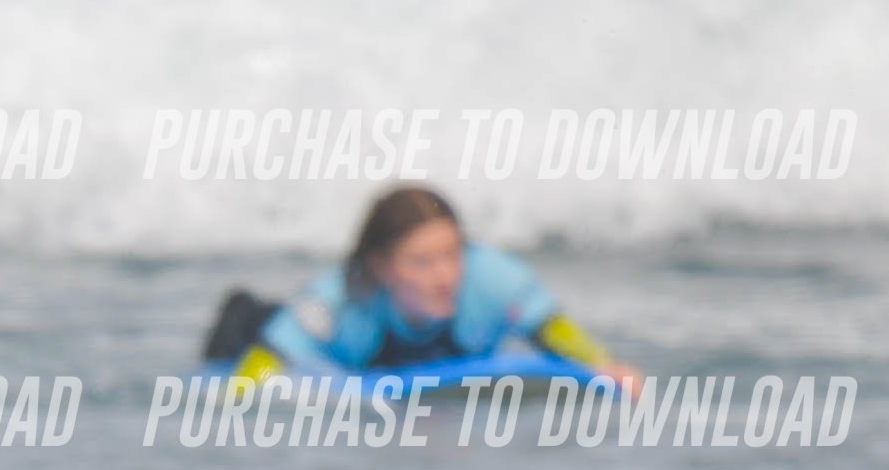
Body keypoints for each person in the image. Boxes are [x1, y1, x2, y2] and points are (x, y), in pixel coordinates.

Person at [205, 185, 643, 393]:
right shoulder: (337, 303)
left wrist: (603, 364)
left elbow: (551, 329)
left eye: (452, 255)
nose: (444, 276)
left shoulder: (493, 280)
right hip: (257, 331)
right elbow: (265, 361)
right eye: (422, 262)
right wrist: (234, 396)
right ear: (381, 268)